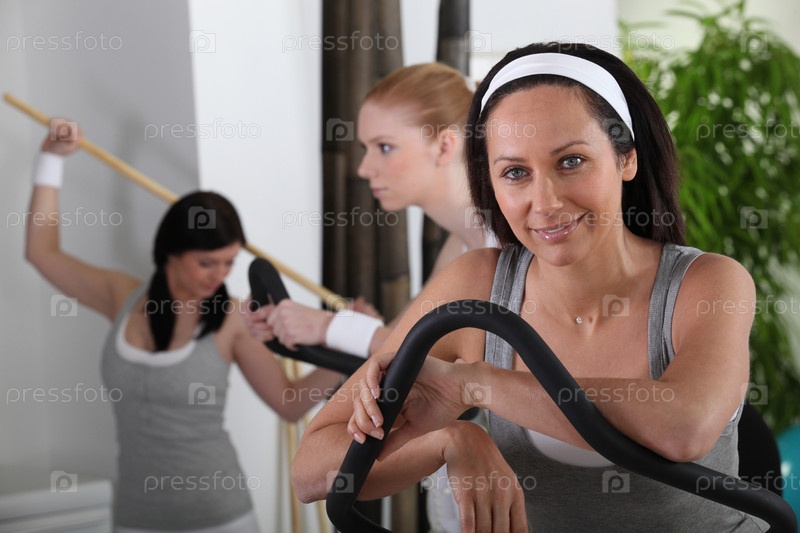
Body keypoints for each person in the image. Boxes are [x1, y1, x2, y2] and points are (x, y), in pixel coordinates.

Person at [292, 42, 767, 532]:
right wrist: (449, 442)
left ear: (626, 159)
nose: (545, 202)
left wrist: (473, 383)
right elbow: (309, 470)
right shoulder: (476, 285)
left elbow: (684, 427)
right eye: (515, 173)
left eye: (571, 161)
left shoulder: (706, 282)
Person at [24, 121, 346, 532]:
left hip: (220, 517)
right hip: (135, 517)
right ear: (171, 253)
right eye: (207, 262)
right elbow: (42, 253)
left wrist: (344, 347)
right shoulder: (122, 297)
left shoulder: (233, 318)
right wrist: (50, 159)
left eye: (229, 262)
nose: (220, 275)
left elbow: (289, 402)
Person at [244, 62, 496, 532]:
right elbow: (396, 343)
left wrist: (330, 326)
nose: (364, 168)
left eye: (384, 147)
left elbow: (438, 359)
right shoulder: (459, 247)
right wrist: (302, 331)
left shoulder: (500, 249)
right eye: (366, 149)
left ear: (445, 145)